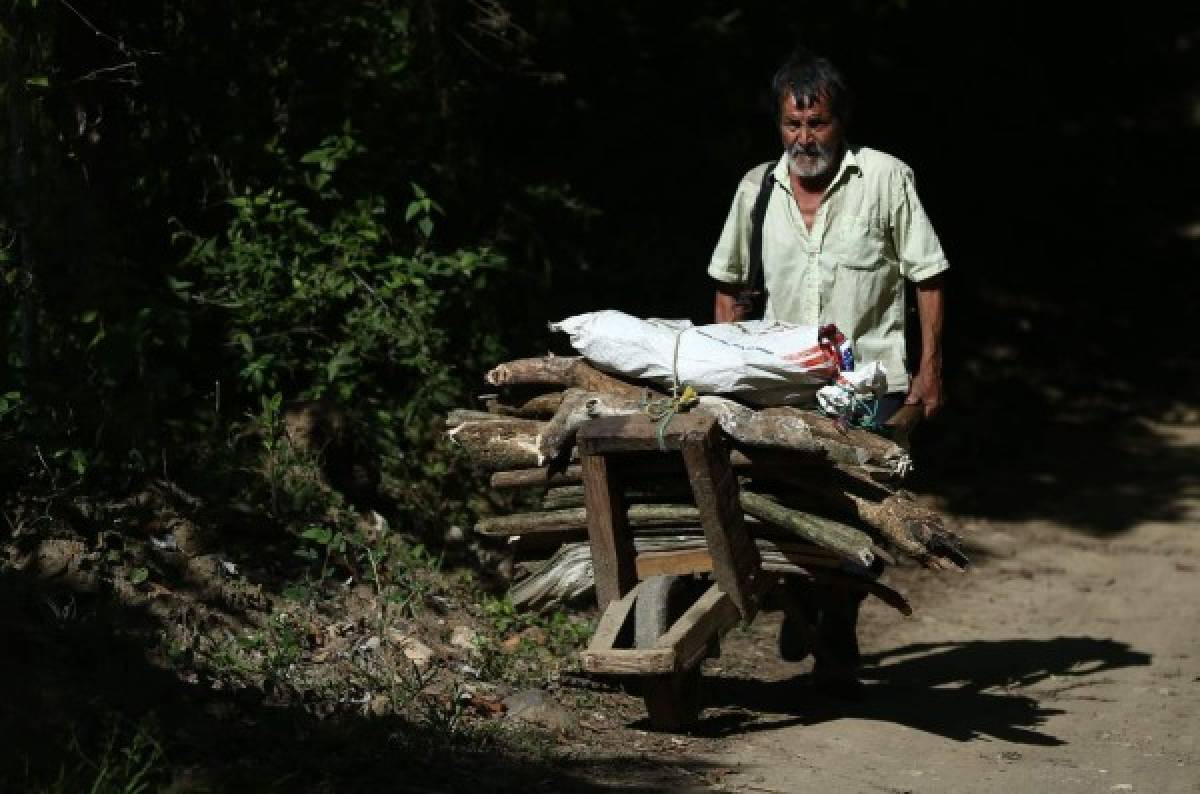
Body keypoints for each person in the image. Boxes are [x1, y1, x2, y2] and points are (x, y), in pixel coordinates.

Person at [707, 48, 949, 693]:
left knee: (854, 511)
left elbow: (928, 276)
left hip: (873, 382)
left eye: (817, 124)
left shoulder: (887, 179)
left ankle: (837, 623)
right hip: (786, 382)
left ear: (841, 122)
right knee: (780, 502)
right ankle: (805, 601)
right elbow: (729, 288)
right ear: (778, 126)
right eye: (792, 126)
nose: (804, 139)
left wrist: (930, 375)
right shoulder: (757, 190)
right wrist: (722, 375)